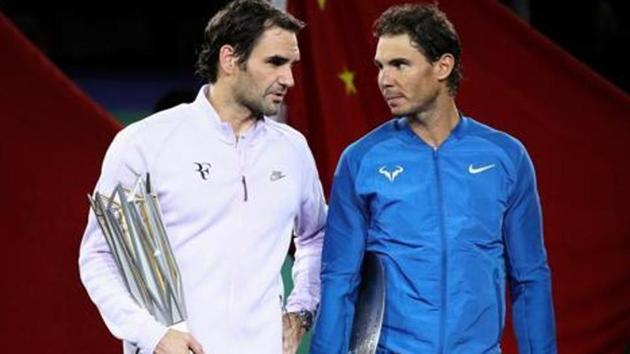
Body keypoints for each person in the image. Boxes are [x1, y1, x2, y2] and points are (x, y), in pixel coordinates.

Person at [79, 1, 326, 354]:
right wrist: (151, 334)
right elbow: (99, 255)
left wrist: (301, 310)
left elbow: (316, 235)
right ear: (229, 59)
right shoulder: (145, 142)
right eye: (274, 62)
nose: (288, 78)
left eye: (291, 65)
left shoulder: (293, 149)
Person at [310, 3, 556, 353]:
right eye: (380, 66)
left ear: (443, 66)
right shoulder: (361, 160)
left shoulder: (506, 157)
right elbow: (338, 282)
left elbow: (530, 279)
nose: (384, 79)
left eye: (400, 65)